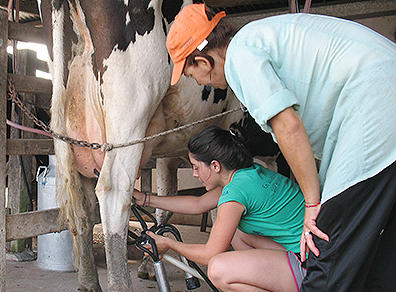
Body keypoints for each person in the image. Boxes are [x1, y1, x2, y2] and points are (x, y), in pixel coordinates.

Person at [165, 3, 396, 292]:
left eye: (191, 75)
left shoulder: (241, 57)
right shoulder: (261, 36)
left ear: (202, 61)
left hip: (375, 113)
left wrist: (313, 203)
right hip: (384, 101)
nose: (200, 82)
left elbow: (288, 126)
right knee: (384, 259)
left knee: (326, 261)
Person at [133, 123, 306, 292]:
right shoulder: (249, 174)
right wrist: (145, 199)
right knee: (238, 233)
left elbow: (210, 254)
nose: (194, 173)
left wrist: (170, 244)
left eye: (196, 167)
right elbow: (198, 204)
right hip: (311, 253)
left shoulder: (235, 193)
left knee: (218, 270)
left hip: (311, 268)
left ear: (215, 166)